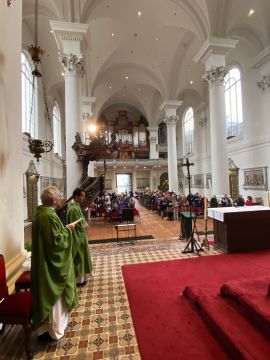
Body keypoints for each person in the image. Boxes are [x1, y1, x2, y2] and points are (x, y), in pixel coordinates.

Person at [31, 186, 78, 341]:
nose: (60, 199)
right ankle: (55, 329)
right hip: (51, 267)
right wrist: (68, 230)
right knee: (54, 294)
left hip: (44, 261)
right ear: (54, 200)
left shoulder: (42, 214)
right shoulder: (49, 216)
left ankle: (47, 327)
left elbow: (51, 236)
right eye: (58, 197)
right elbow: (56, 243)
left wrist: (63, 229)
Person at [67, 188, 93, 286]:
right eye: (82, 196)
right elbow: (75, 225)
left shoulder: (76, 206)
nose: (83, 198)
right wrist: (83, 225)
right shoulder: (73, 208)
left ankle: (82, 278)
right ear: (76, 196)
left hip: (81, 236)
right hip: (78, 237)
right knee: (80, 256)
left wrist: (84, 222)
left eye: (84, 196)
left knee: (83, 256)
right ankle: (79, 280)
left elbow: (80, 219)